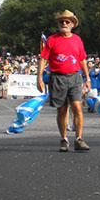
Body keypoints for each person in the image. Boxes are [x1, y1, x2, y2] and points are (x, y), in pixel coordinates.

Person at [36, 9, 91, 152]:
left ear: (73, 24)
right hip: (57, 78)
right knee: (62, 110)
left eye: (67, 21)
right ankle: (64, 139)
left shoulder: (77, 39)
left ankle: (79, 139)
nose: (64, 23)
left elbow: (82, 60)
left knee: (77, 108)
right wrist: (39, 78)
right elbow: (43, 59)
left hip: (74, 77)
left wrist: (87, 78)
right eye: (62, 21)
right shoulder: (52, 40)